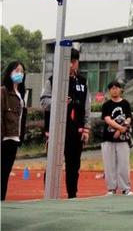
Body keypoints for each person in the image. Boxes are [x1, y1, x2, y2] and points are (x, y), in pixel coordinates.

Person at [40, 48, 90, 199]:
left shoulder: (82, 81)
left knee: (74, 166)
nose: (72, 65)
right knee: (53, 165)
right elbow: (43, 102)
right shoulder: (52, 80)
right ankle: (49, 195)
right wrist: (59, 102)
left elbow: (87, 106)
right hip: (56, 130)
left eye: (74, 62)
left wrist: (86, 128)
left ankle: (72, 195)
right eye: (69, 62)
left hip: (76, 131)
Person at [1, 61, 28, 201]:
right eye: (17, 71)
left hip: (14, 139)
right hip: (4, 139)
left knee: (5, 174)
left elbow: (21, 119)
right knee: (2, 173)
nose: (20, 74)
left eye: (22, 72)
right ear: (10, 72)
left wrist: (20, 137)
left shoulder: (21, 94)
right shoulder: (3, 91)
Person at [101, 80, 133, 196]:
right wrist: (120, 127)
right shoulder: (106, 105)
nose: (114, 90)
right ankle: (111, 188)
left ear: (120, 90)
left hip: (123, 138)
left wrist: (120, 130)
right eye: (112, 88)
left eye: (116, 88)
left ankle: (125, 188)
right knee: (109, 164)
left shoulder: (125, 104)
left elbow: (129, 118)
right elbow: (107, 119)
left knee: (124, 164)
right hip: (108, 138)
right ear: (109, 91)